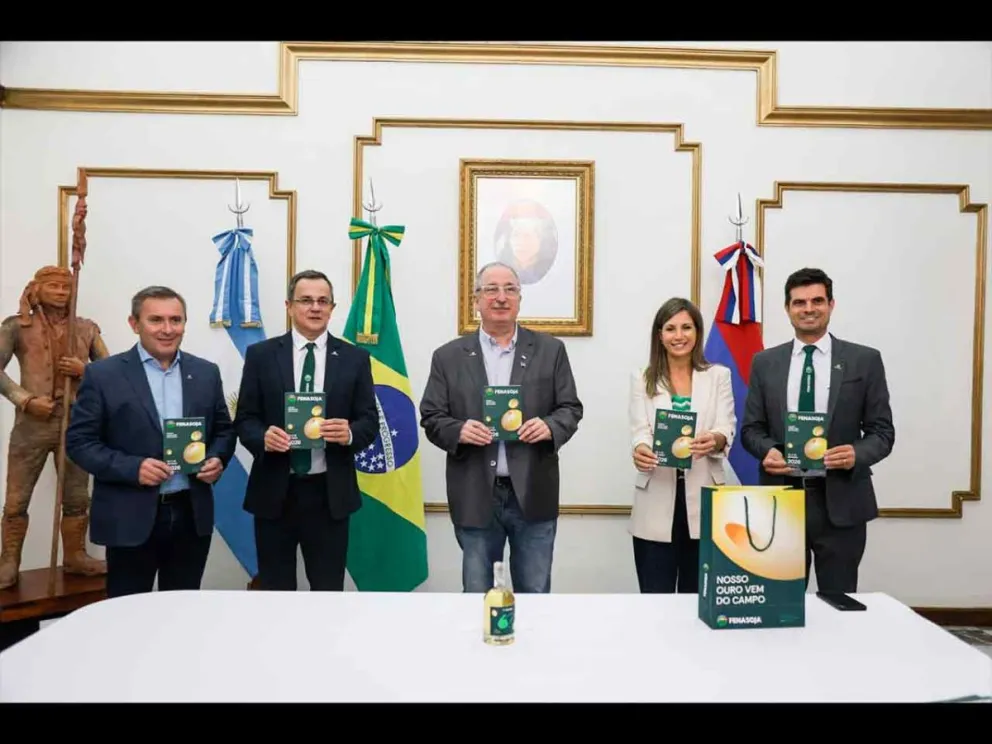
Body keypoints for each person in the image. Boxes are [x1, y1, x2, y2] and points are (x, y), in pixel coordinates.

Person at [419, 261, 583, 594]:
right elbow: (432, 416)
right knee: (478, 594)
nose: (501, 297)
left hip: (534, 492)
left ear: (520, 299)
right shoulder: (448, 356)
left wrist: (550, 426)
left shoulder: (551, 350)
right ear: (476, 300)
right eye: (491, 289)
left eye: (510, 289)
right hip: (475, 492)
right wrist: (459, 430)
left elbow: (570, 409)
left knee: (535, 593)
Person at [65, 286, 237, 598]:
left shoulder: (205, 373)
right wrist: (133, 468)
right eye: (156, 320)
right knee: (128, 612)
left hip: (190, 514)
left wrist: (217, 458)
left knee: (182, 609)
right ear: (134, 324)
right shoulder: (103, 375)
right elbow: (79, 443)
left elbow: (224, 431)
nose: (167, 329)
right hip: (129, 516)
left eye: (176, 320)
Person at [740, 267, 895, 593]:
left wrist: (856, 453)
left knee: (838, 603)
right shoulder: (765, 363)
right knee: (781, 603)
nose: (808, 309)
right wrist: (769, 450)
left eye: (817, 301)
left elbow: (882, 433)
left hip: (841, 502)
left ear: (831, 304)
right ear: (787, 309)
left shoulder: (864, 360)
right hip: (782, 501)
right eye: (799, 302)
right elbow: (751, 429)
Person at [234, 269, 378, 591]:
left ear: (332, 308)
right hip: (275, 491)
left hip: (329, 494)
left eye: (323, 301)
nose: (315, 307)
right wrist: (263, 438)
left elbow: (369, 422)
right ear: (289, 306)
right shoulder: (261, 356)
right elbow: (245, 419)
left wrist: (349, 433)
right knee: (276, 591)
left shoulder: (355, 358)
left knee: (327, 590)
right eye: (306, 300)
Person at [0, 265, 110, 589]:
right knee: (16, 499)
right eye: (54, 287)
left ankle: (75, 556)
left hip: (76, 425)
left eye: (66, 287)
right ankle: (8, 561)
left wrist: (85, 371)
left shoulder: (86, 329)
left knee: (77, 497)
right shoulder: (16, 326)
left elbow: (113, 375)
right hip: (32, 426)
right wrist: (25, 400)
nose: (61, 293)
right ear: (37, 289)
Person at [628, 297, 736, 593]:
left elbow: (726, 426)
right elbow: (640, 431)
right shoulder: (642, 378)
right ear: (659, 335)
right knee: (654, 597)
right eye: (671, 328)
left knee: (699, 598)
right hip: (656, 497)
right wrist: (640, 450)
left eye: (687, 327)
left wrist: (715, 439)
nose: (679, 336)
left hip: (704, 498)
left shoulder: (718, 376)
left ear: (698, 331)